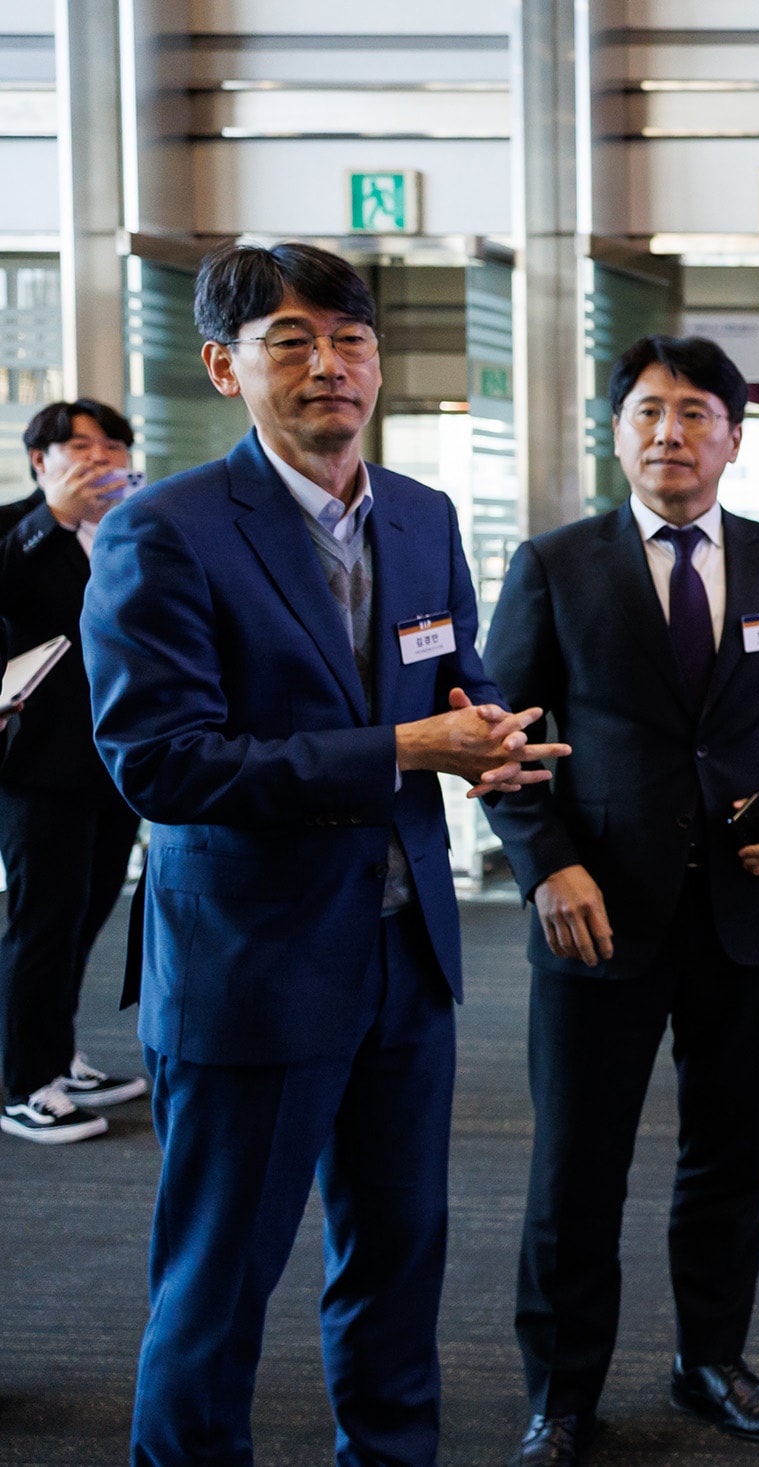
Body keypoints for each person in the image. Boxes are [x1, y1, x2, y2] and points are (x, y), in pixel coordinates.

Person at [80, 241, 566, 1466]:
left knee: (399, 1270)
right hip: (250, 966)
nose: (328, 368)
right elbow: (164, 763)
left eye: (349, 341)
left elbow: (455, 676)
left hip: (408, 958)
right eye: (288, 342)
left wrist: (493, 736)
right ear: (222, 366)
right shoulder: (166, 533)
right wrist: (407, 746)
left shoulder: (421, 512)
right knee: (216, 1288)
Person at [483, 334, 759, 1465]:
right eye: (645, 412)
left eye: (694, 414)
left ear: (736, 436)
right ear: (616, 430)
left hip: (748, 910)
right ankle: (562, 1391)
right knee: (576, 1168)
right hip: (596, 913)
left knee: (728, 1162)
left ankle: (712, 1360)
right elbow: (504, 740)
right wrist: (546, 861)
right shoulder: (556, 563)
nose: (669, 434)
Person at [0, 400, 147, 1144]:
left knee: (86, 914)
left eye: (113, 443)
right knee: (41, 923)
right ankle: (24, 1082)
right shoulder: (17, 529)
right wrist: (51, 518)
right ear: (40, 460)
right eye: (79, 445)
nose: (101, 456)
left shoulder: (133, 529)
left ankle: (57, 1057)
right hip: (38, 764)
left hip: (118, 760)